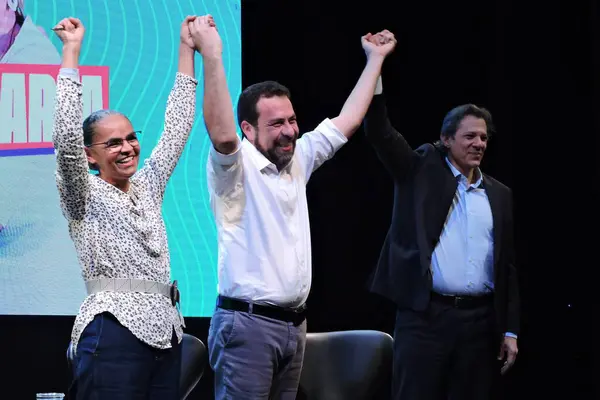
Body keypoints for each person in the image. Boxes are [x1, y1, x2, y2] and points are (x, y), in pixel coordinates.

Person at [189, 15, 396, 399]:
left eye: (292, 120)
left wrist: (375, 59)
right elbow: (220, 132)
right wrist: (212, 55)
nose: (289, 131)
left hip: (293, 326)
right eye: (276, 124)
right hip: (248, 325)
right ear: (248, 130)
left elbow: (347, 122)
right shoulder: (236, 169)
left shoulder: (297, 157)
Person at [51, 14, 203, 399]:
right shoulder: (81, 193)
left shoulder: (147, 186)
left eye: (131, 138)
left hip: (167, 334)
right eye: (113, 143)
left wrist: (187, 49)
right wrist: (71, 52)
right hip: (113, 331)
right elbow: (66, 138)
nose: (127, 148)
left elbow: (177, 127)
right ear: (90, 156)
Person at [363, 33, 520, 400]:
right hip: (425, 318)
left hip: (480, 325)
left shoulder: (499, 194)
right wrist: (376, 64)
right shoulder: (418, 170)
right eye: (469, 137)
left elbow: (507, 266)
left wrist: (510, 330)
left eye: (483, 138)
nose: (478, 144)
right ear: (446, 140)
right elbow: (379, 132)